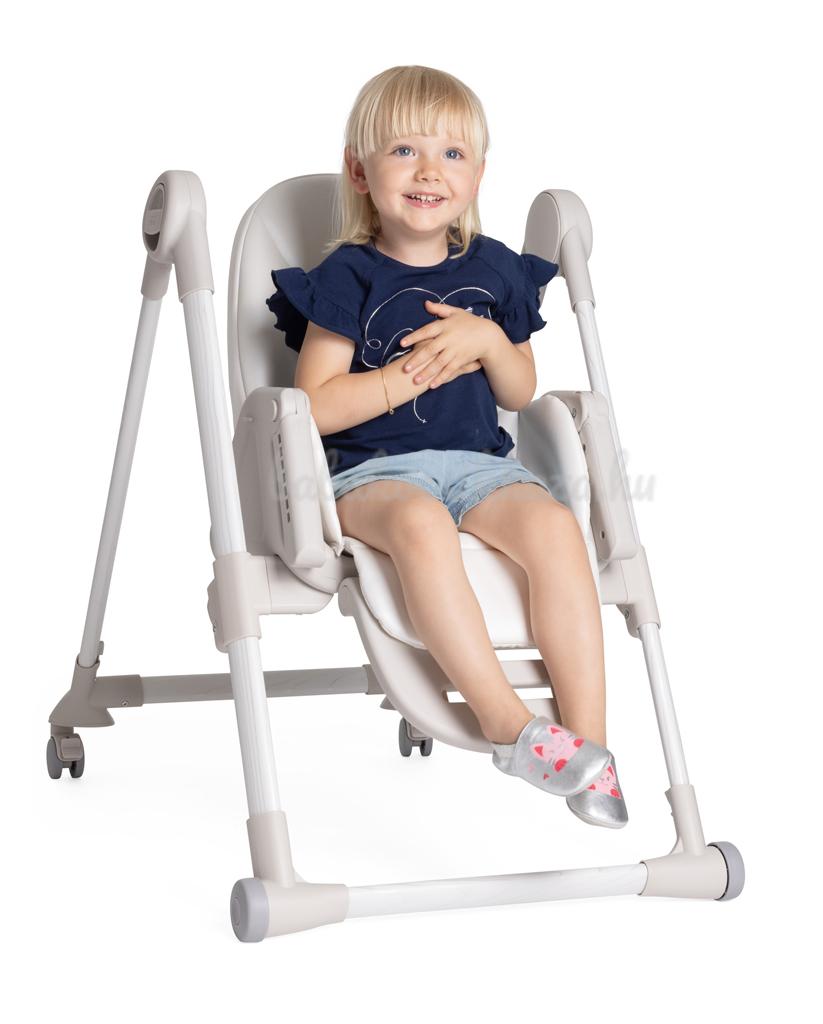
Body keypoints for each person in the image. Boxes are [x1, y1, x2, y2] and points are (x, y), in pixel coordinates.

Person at [265, 65, 627, 828]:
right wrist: (403, 377)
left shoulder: (491, 269)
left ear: (477, 176)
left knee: (555, 527)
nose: (429, 170)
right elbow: (315, 406)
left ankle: (589, 748)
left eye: (452, 154)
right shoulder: (348, 276)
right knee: (420, 525)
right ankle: (509, 728)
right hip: (373, 473)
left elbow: (518, 391)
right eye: (404, 150)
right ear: (360, 173)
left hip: (482, 467)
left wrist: (489, 339)